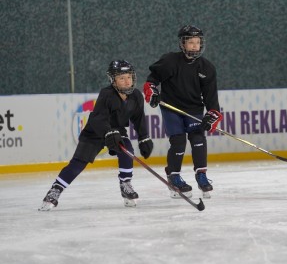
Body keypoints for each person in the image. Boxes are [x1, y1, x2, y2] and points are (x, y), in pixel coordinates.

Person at [38, 60, 154, 211]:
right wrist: (108, 132)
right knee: (78, 164)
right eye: (121, 78)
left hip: (117, 131)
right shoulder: (107, 94)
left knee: (128, 153)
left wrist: (144, 137)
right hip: (95, 131)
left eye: (129, 77)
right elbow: (99, 117)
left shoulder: (136, 96)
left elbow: (139, 119)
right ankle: (55, 190)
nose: (127, 82)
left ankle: (125, 184)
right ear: (113, 80)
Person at [143, 25, 222, 199]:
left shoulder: (207, 68)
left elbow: (211, 98)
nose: (195, 46)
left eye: (197, 42)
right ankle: (174, 176)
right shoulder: (170, 61)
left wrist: (211, 114)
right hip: (172, 108)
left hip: (194, 109)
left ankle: (201, 174)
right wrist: (152, 91)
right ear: (182, 44)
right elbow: (151, 81)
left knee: (198, 138)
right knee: (178, 141)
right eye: (191, 42)